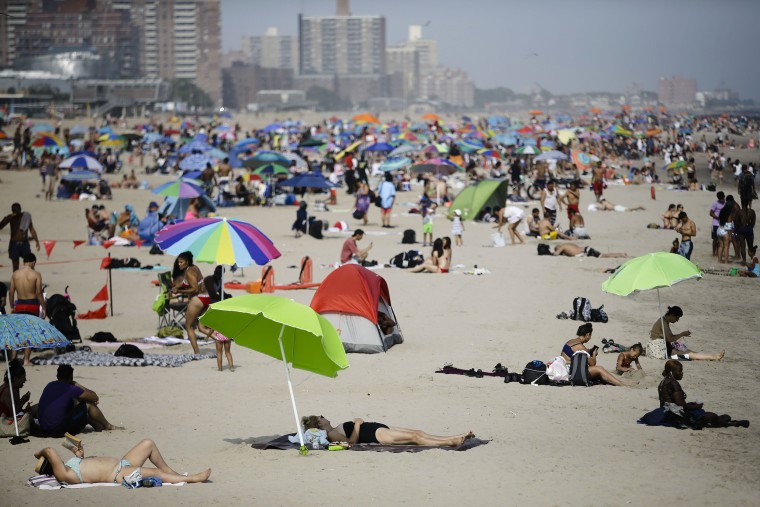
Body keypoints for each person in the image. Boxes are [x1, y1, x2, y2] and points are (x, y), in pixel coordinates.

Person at [34, 438, 211, 486]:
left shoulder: (71, 465)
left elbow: (88, 467)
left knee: (148, 443)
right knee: (156, 473)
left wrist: (80, 455)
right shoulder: (64, 474)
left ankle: (174, 474)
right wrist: (38, 453)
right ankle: (192, 478)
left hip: (122, 462)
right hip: (118, 474)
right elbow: (49, 450)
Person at [658, 359, 749, 428]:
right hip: (675, 416)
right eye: (679, 371)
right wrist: (697, 406)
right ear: (671, 372)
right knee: (711, 416)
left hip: (666, 412)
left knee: (711, 415)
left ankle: (721, 420)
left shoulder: (663, 382)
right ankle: (732, 424)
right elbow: (681, 405)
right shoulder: (674, 384)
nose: (682, 373)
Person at [37, 364, 122, 436]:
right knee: (88, 404)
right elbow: (95, 397)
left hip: (44, 429)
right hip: (58, 430)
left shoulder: (49, 385)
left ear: (57, 376)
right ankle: (108, 426)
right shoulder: (70, 388)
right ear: (71, 376)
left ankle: (98, 426)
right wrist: (76, 384)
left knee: (76, 405)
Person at [314, 415, 474, 446]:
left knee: (418, 432)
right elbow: (351, 443)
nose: (323, 416)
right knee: (415, 437)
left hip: (376, 427)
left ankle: (454, 436)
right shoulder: (331, 434)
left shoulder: (334, 429)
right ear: (320, 425)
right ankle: (450, 442)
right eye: (320, 417)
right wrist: (357, 423)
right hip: (373, 434)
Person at [560, 323, 628, 386]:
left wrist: (588, 351)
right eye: (590, 335)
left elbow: (575, 353)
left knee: (599, 370)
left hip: (564, 367)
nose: (590, 337)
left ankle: (618, 382)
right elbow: (592, 364)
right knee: (599, 369)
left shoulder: (571, 341)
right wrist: (594, 355)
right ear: (587, 335)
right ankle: (621, 384)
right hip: (571, 372)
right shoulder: (580, 346)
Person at [650, 306, 724, 361]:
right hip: (661, 349)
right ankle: (714, 357)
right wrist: (682, 334)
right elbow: (670, 339)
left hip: (664, 346)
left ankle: (712, 356)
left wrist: (682, 334)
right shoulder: (663, 323)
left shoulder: (664, 321)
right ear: (672, 315)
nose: (677, 320)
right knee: (688, 353)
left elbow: (670, 338)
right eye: (677, 318)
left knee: (688, 351)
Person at [9, 253, 46, 365]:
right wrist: (43, 307)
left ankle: (13, 359)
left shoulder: (15, 274)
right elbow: (39, 292)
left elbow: (11, 292)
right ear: (33, 262)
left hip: (19, 304)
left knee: (17, 333)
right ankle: (26, 360)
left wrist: (11, 306)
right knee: (29, 332)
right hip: (32, 305)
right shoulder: (36, 274)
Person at [170, 252, 205, 354]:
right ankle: (221, 339)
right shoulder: (193, 268)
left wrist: (180, 291)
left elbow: (195, 288)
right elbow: (185, 282)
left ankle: (197, 353)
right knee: (201, 328)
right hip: (205, 298)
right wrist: (177, 287)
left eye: (181, 262)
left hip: (198, 299)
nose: (179, 264)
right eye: (178, 262)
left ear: (187, 262)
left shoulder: (189, 272)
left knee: (188, 327)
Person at [0, 202, 41, 271]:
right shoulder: (10, 218)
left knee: (29, 264)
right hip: (14, 244)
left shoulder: (26, 217)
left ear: (20, 210)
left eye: (16, 210)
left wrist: (37, 241)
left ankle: (30, 280)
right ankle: (16, 280)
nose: (15, 212)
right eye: (14, 210)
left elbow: (32, 229)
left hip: (24, 243)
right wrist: (7, 218)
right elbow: (0, 226)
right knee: (15, 266)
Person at [552, 243, 628, 258]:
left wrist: (553, 252)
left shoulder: (562, 247)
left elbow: (556, 254)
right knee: (603, 254)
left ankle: (621, 254)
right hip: (586, 249)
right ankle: (620, 254)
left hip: (585, 252)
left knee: (603, 255)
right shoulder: (568, 244)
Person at [709, 191, 726, 256]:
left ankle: (718, 252)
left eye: (723, 198)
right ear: (718, 198)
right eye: (721, 199)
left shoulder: (726, 204)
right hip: (715, 223)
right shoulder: (715, 203)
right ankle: (714, 252)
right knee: (715, 239)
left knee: (721, 239)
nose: (722, 200)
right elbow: (711, 213)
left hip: (723, 224)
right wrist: (718, 217)